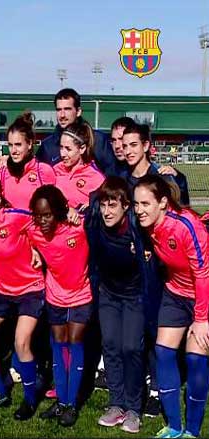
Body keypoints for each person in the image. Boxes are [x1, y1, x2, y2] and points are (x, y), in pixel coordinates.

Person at [134, 175, 209, 439]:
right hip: (175, 293)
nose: (139, 210)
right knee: (164, 353)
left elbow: (203, 274)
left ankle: (193, 430)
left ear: (163, 202)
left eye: (145, 203)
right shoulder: (146, 226)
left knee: (195, 358)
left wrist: (201, 319)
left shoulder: (188, 226)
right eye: (136, 204)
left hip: (203, 296)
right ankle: (174, 427)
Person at [85, 177, 162, 434]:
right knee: (111, 346)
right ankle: (116, 404)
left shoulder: (136, 229)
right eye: (104, 205)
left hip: (134, 296)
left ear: (126, 206)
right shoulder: (96, 219)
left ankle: (133, 409)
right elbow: (81, 212)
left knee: (131, 348)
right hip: (108, 293)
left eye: (113, 206)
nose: (107, 211)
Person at [0, 174, 46, 420]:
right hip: (1, 288)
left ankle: (30, 400)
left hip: (30, 288)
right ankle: (0, 393)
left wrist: (37, 248)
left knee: (21, 342)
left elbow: (42, 223)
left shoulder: (14, 218)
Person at [27, 185, 93, 427]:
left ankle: (72, 404)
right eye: (38, 215)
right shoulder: (33, 231)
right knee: (58, 345)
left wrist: (76, 210)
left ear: (57, 212)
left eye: (47, 215)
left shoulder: (79, 227)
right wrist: (34, 249)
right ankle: (61, 401)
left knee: (75, 341)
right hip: (55, 295)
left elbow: (98, 215)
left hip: (81, 294)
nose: (42, 221)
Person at [36, 88, 113, 175]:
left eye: (67, 109)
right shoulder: (47, 146)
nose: (62, 115)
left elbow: (111, 177)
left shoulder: (98, 140)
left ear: (78, 111)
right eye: (58, 110)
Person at [122, 123, 190, 207]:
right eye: (125, 146)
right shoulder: (121, 180)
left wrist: (178, 177)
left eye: (133, 145)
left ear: (145, 146)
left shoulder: (162, 177)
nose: (128, 151)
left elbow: (180, 209)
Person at [0, 112, 56, 209]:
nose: (13, 150)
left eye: (18, 145)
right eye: (10, 145)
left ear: (29, 144)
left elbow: (54, 207)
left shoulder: (43, 171)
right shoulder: (4, 172)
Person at [53, 120, 106, 209]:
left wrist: (92, 206)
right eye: (61, 147)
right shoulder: (54, 170)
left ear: (82, 148)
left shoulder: (96, 178)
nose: (62, 154)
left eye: (68, 149)